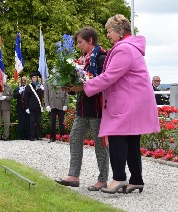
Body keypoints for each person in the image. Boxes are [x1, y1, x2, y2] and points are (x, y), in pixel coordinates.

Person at [70, 15, 160, 194]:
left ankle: (119, 177)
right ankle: (136, 180)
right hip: (134, 99)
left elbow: (109, 76)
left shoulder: (124, 49)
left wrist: (84, 86)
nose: (107, 34)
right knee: (132, 139)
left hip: (128, 101)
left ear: (120, 31)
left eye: (109, 31)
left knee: (117, 136)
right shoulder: (129, 47)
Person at [56, 26, 109, 191]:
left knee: (100, 145)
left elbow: (104, 82)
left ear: (90, 40)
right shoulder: (82, 60)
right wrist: (70, 87)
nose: (78, 46)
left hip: (98, 108)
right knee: (75, 138)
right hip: (83, 107)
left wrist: (81, 86)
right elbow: (80, 83)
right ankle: (73, 175)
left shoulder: (101, 58)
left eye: (80, 42)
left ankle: (103, 179)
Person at [24, 71, 44, 141]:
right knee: (32, 122)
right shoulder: (28, 87)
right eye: (33, 77)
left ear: (37, 78)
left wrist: (43, 89)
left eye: (35, 77)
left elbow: (43, 96)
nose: (34, 78)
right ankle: (32, 136)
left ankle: (38, 135)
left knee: (38, 122)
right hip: (31, 107)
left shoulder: (40, 86)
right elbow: (25, 98)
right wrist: (27, 107)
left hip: (39, 107)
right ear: (31, 79)